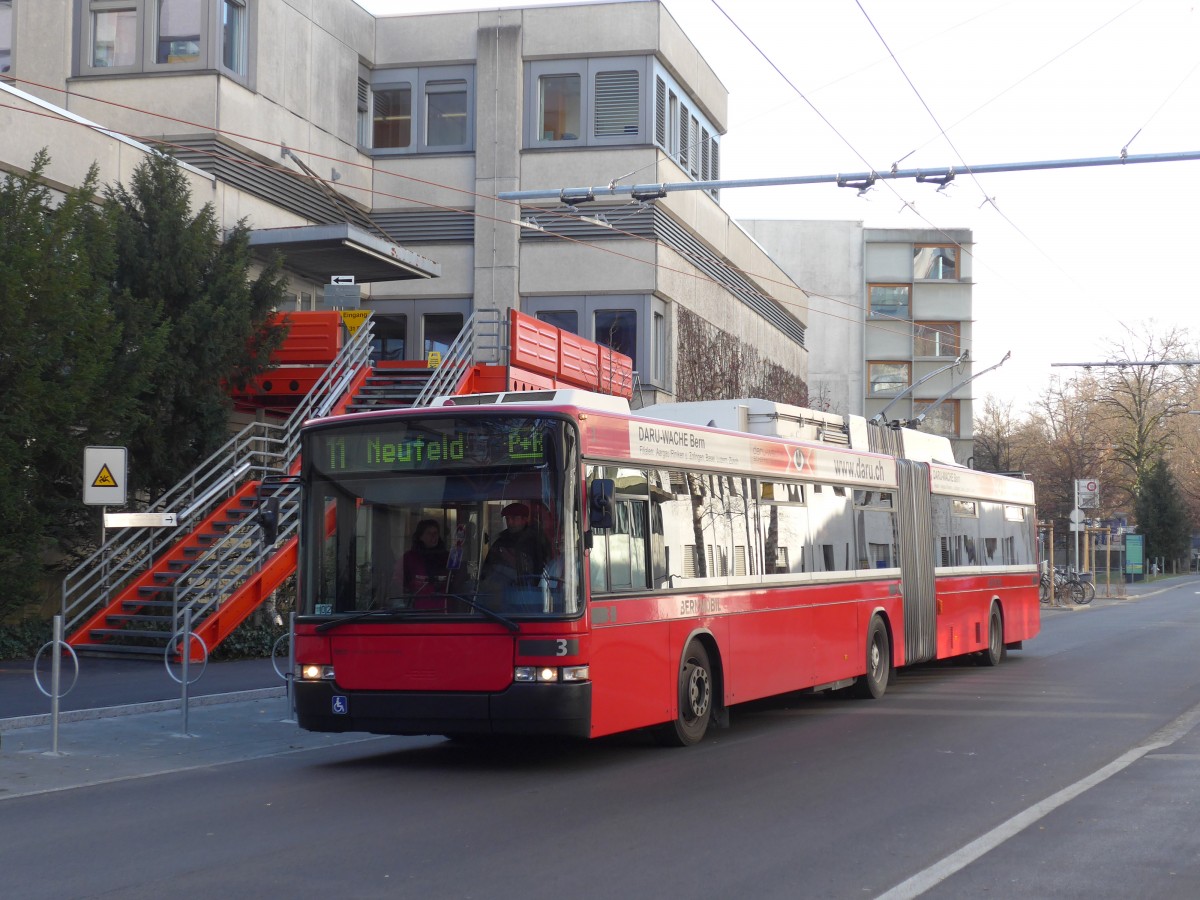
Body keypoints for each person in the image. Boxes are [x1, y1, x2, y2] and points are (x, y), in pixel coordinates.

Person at [480, 502, 551, 588]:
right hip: (500, 593)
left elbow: (541, 570)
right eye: (507, 518)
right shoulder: (501, 541)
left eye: (513, 518)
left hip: (530, 593)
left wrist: (512, 560)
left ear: (524, 519)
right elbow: (487, 570)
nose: (509, 522)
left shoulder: (536, 542)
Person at [400, 519, 449, 598]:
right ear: (420, 536)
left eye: (435, 533)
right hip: (418, 605)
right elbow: (399, 583)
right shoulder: (410, 557)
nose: (433, 536)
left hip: (444, 605)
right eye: (429, 533)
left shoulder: (447, 557)